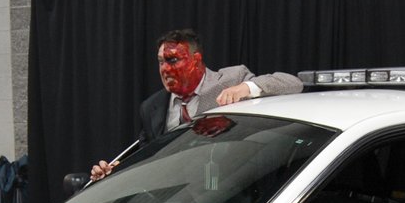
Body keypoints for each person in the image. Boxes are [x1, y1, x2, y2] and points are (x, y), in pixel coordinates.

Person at [90, 29, 303, 180]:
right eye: (161, 61)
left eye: (172, 60)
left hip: (226, 190)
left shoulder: (230, 79)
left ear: (196, 60)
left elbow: (293, 83)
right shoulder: (152, 106)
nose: (164, 69)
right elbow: (149, 157)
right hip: (173, 195)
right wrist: (118, 171)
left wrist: (246, 88)